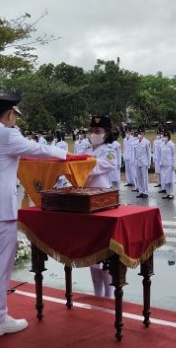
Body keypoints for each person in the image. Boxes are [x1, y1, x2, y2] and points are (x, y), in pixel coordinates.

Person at [0, 92, 67, 338]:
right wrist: (65, 154)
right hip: (0, 210)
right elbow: (37, 150)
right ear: (10, 114)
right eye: (14, 115)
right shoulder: (8, 134)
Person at [82, 115, 119, 297]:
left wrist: (84, 165)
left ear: (106, 133)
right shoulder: (88, 149)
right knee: (92, 251)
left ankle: (109, 294)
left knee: (104, 250)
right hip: (87, 199)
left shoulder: (109, 149)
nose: (94, 134)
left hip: (101, 198)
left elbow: (107, 164)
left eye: (98, 131)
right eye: (92, 131)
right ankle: (97, 292)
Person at [133, 127, 151, 198]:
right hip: (137, 162)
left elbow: (149, 154)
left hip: (144, 162)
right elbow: (134, 153)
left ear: (144, 134)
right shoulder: (135, 142)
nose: (139, 135)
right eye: (138, 133)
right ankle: (140, 191)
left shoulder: (147, 142)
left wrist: (148, 164)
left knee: (144, 177)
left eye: (141, 133)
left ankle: (145, 192)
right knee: (138, 177)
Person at [158, 131, 176, 199]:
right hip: (163, 164)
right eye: (164, 136)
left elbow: (174, 155)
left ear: (169, 137)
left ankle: (171, 193)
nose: (165, 138)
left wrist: (174, 164)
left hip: (170, 164)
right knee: (165, 180)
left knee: (170, 180)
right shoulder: (161, 144)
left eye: (166, 136)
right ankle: (167, 193)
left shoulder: (172, 145)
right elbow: (160, 155)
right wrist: (160, 162)